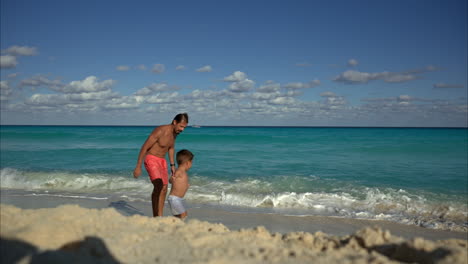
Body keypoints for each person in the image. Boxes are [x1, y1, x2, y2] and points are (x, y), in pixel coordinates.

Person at [133, 113, 189, 217]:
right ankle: (156, 216)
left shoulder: (175, 134)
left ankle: (160, 215)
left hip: (162, 161)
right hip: (151, 159)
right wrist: (138, 166)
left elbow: (171, 148)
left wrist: (172, 165)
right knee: (158, 185)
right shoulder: (160, 130)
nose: (182, 130)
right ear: (175, 122)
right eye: (181, 126)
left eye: (184, 127)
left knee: (164, 188)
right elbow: (144, 147)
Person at [167, 149, 194, 219]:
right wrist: (172, 179)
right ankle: (179, 226)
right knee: (183, 214)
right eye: (191, 162)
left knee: (179, 215)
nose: (191, 165)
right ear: (187, 163)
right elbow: (171, 179)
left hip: (178, 199)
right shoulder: (179, 171)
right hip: (174, 198)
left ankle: (175, 226)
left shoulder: (183, 172)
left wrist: (186, 185)